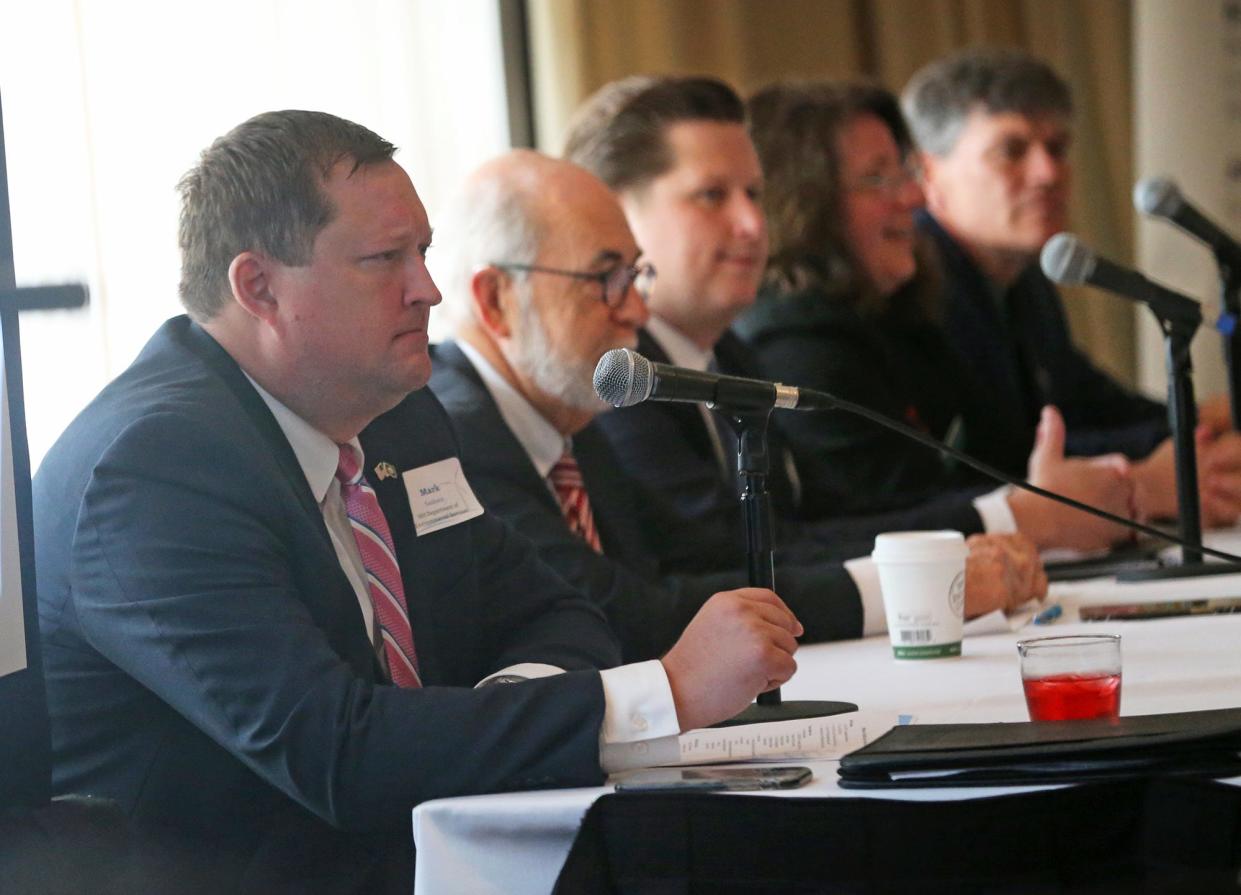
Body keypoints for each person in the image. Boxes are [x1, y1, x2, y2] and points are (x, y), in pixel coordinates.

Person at [31, 110, 801, 892]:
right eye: (383, 259)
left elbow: (554, 611)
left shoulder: (399, 415)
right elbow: (337, 752)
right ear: (257, 286)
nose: (427, 289)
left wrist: (495, 717)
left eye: (424, 250)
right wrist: (660, 692)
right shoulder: (153, 472)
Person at [421, 149, 1041, 661]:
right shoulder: (445, 433)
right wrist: (913, 587)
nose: (637, 311)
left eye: (636, 278)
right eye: (606, 280)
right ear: (496, 299)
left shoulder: (569, 419)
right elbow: (618, 611)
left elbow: (691, 570)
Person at [563, 74, 1131, 559]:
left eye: (756, 195)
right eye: (712, 196)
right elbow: (733, 559)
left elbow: (813, 529)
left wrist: (1016, 514)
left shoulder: (728, 355)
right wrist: (1010, 519)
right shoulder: (617, 378)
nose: (754, 225)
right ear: (615, 216)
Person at [734, 80, 1132, 553]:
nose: (914, 198)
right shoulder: (794, 344)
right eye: (878, 179)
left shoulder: (897, 312)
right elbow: (883, 520)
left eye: (903, 174)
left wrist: (1111, 479)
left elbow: (989, 454)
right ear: (804, 203)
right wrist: (1033, 511)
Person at [902, 47, 1241, 525]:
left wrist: (1199, 423)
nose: (1048, 173)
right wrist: (1152, 472)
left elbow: (1086, 404)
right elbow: (1000, 452)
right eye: (1012, 150)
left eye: (1057, 148)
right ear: (927, 173)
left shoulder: (1027, 279)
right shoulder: (910, 284)